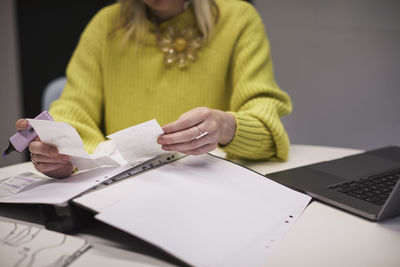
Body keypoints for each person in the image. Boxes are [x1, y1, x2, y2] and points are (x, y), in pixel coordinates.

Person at [16, 0, 292, 178]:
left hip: (209, 188)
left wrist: (226, 126)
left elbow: (268, 132)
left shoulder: (239, 19)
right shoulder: (106, 25)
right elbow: (74, 109)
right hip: (121, 190)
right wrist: (66, 154)